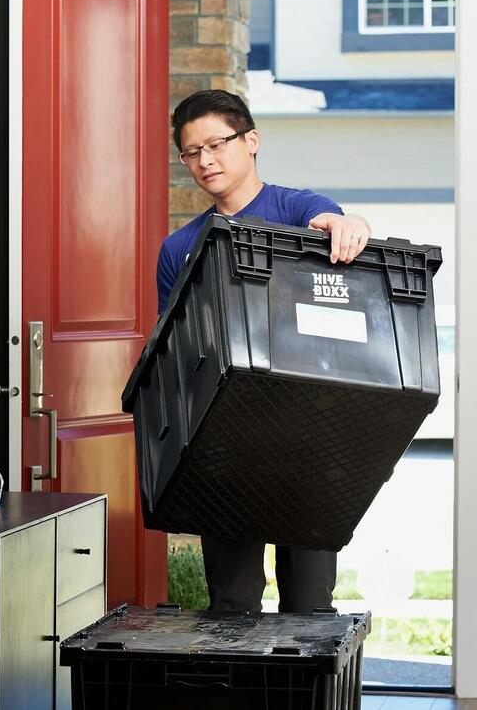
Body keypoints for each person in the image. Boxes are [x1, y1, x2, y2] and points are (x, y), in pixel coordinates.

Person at [158, 89, 372, 614]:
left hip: (312, 440)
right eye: (191, 152)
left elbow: (332, 220)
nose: (205, 161)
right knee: (230, 604)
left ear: (250, 141)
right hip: (224, 446)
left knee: (310, 604)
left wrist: (349, 226)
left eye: (217, 143)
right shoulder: (179, 248)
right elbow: (173, 351)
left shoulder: (295, 208)